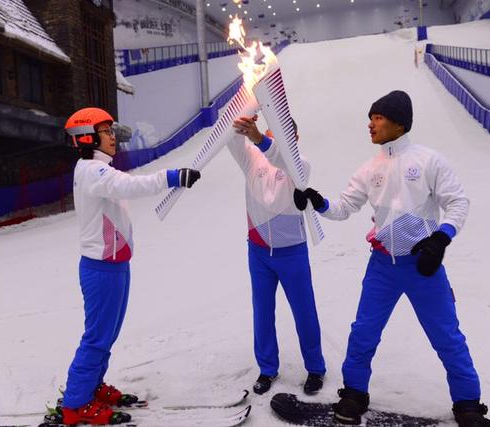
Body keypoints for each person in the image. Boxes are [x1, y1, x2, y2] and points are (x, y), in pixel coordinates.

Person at [294, 91, 490, 427]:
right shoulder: (370, 168)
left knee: (447, 336)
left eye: (378, 118)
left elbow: (458, 203)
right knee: (363, 333)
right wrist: (318, 201)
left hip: (423, 266)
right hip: (383, 267)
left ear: (399, 122)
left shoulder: (430, 161)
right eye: (370, 118)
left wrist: (440, 240)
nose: (370, 124)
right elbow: (344, 208)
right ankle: (354, 394)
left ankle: (468, 404)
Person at [59, 107, 201, 425]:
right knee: (97, 336)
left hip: (115, 266)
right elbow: (129, 187)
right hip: (101, 269)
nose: (113, 138)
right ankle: (75, 403)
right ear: (87, 137)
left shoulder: (99, 169)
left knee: (107, 335)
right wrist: (172, 176)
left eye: (111, 131)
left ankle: (91, 386)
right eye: (106, 131)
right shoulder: (91, 171)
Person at [229, 115, 326, 396]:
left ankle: (316, 368)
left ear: (294, 139)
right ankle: (267, 368)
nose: (270, 140)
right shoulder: (252, 161)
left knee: (304, 311)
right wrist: (243, 116)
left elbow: (283, 159)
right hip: (258, 251)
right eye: (268, 134)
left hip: (291, 252)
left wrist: (261, 139)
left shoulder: (300, 165)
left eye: (280, 136)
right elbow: (232, 140)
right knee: (262, 311)